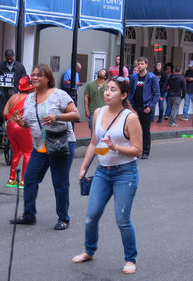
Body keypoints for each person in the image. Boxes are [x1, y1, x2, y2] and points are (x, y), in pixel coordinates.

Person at [72, 76, 142, 275]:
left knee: (122, 218)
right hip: (102, 172)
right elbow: (94, 143)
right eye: (107, 89)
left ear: (124, 95)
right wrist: (84, 168)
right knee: (91, 216)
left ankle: (130, 259)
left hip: (125, 173)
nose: (107, 93)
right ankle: (89, 250)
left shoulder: (130, 118)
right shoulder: (98, 112)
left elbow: (138, 150)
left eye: (113, 90)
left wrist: (116, 147)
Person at [10, 64, 80, 231]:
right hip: (39, 146)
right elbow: (30, 122)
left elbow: (75, 115)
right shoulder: (29, 98)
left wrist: (57, 116)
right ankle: (29, 215)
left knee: (60, 182)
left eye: (38, 75)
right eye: (32, 75)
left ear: (47, 78)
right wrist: (23, 123)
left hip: (60, 144)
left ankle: (64, 218)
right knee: (30, 178)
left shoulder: (59, 95)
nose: (34, 78)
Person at [2, 76, 33, 188]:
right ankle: (24, 180)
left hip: (11, 127)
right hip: (23, 127)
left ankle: (12, 179)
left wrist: (13, 118)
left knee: (16, 153)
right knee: (27, 153)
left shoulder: (13, 97)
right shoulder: (31, 98)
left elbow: (5, 112)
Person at [128, 57, 159, 160]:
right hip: (135, 107)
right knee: (133, 130)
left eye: (142, 64)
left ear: (146, 65)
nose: (140, 65)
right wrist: (131, 106)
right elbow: (130, 92)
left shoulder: (152, 77)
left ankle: (145, 151)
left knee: (145, 130)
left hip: (146, 108)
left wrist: (150, 106)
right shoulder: (133, 77)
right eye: (138, 64)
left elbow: (156, 94)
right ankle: (134, 149)